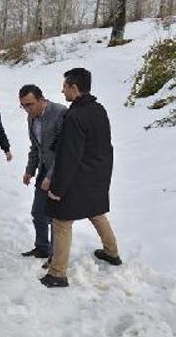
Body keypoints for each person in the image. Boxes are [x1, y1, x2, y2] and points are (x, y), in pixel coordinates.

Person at [40, 68, 122, 288]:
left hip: (78, 177)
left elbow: (69, 157)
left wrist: (57, 188)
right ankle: (111, 252)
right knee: (96, 212)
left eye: (65, 86)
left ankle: (57, 273)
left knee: (62, 222)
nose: (62, 90)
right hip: (99, 174)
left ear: (74, 88)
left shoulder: (75, 116)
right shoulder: (98, 109)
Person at [18, 84, 67, 264]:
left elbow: (64, 151)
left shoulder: (60, 113)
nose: (26, 109)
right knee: (38, 212)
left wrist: (50, 176)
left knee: (55, 216)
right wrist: (29, 171)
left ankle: (56, 257)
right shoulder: (31, 117)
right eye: (23, 105)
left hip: (61, 170)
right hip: (43, 167)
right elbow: (35, 148)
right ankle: (42, 247)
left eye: (29, 104)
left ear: (41, 100)